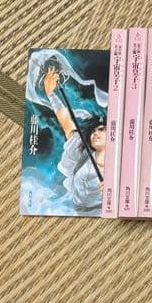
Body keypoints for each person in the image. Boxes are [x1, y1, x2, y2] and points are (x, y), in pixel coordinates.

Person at [42, 64, 104, 213]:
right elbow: (67, 123)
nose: (95, 133)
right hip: (78, 209)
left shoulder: (120, 164)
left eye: (102, 129)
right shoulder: (81, 150)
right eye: (93, 131)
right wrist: (51, 94)